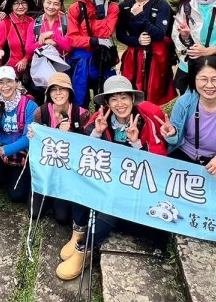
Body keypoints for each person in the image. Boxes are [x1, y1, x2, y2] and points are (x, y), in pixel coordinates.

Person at [57, 75, 167, 280]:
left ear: (132, 99)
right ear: (107, 103)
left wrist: (136, 144)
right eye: (114, 99)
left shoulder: (146, 121)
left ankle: (85, 248)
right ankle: (78, 231)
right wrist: (97, 134)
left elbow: (159, 164)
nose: (120, 104)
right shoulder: (100, 119)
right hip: (106, 180)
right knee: (81, 183)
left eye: (124, 97)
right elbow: (84, 154)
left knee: (111, 206)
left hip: (134, 186)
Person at [162, 56, 216, 177]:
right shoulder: (184, 102)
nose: (209, 85)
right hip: (184, 153)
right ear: (194, 80)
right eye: (203, 79)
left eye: (215, 79)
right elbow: (175, 140)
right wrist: (172, 134)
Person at [29, 72, 89, 225]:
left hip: (68, 172)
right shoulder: (41, 112)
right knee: (34, 213)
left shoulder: (82, 115)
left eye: (62, 88)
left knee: (62, 217)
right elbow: (36, 144)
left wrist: (69, 135)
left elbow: (86, 148)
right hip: (46, 169)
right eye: (53, 89)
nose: (58, 93)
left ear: (70, 91)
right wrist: (33, 136)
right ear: (49, 93)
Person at [116, 0, 175, 105]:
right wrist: (137, 41)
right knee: (131, 92)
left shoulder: (161, 5)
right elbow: (120, 34)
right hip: (133, 57)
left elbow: (160, 34)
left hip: (156, 57)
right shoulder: (125, 5)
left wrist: (140, 16)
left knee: (154, 94)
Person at [66, 0, 120, 108]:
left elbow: (105, 32)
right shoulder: (75, 9)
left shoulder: (112, 8)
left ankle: (105, 123)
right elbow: (72, 38)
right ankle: (80, 123)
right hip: (81, 60)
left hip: (104, 58)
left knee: (106, 95)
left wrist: (100, 9)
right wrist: (92, 41)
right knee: (79, 98)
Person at [0, 66, 37, 203]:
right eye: (0, 82)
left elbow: (28, 138)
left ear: (16, 82)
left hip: (22, 152)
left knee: (17, 195)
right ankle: (4, 174)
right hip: (1, 151)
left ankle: (16, 175)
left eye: (9, 81)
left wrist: (5, 150)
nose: (5, 86)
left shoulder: (30, 106)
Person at [0, 0, 36, 82]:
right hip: (9, 72)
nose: (20, 6)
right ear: (11, 6)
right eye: (16, 3)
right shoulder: (5, 23)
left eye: (23, 3)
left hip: (29, 69)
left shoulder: (31, 21)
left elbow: (34, 45)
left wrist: (26, 59)